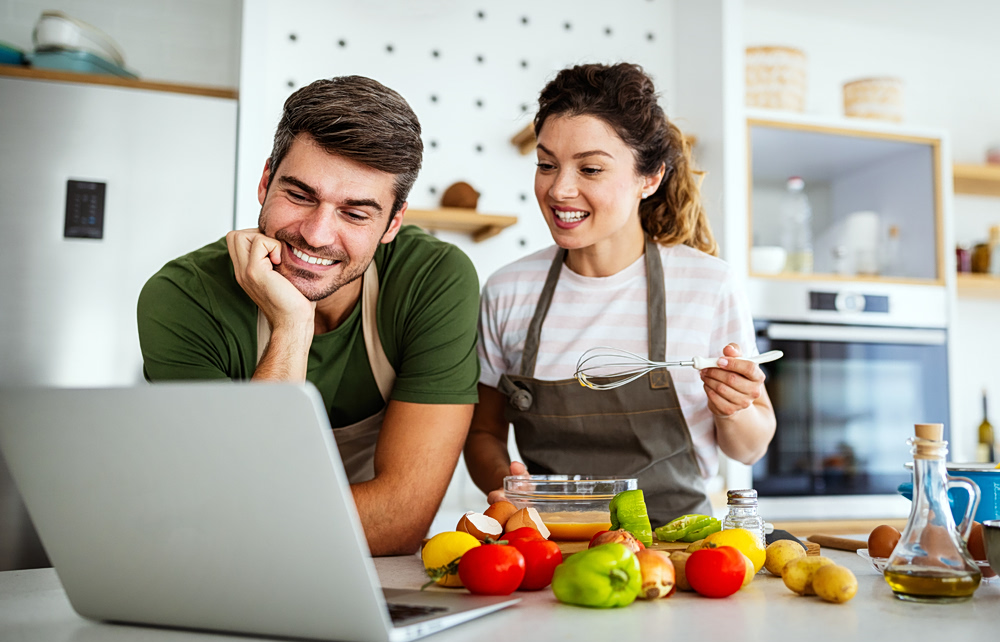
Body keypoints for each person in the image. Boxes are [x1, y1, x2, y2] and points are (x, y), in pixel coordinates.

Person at [138, 76, 480, 556]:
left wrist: (257, 516)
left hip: (371, 571)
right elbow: (223, 509)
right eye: (299, 196)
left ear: (392, 224)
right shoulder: (184, 297)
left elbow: (401, 519)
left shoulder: (433, 279)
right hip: (217, 565)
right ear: (265, 181)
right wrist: (292, 324)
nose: (317, 235)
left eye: (355, 214)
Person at [464, 63, 776, 527]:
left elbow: (749, 445)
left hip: (677, 549)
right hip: (549, 541)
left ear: (648, 179)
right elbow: (483, 431)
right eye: (547, 165)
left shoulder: (707, 285)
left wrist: (733, 407)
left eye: (590, 168)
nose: (559, 189)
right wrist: (505, 484)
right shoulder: (509, 290)